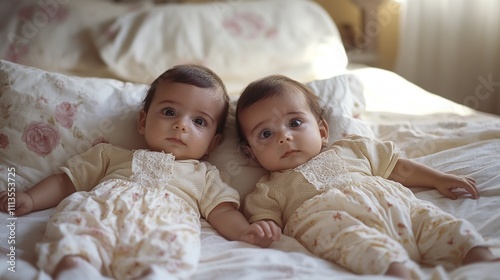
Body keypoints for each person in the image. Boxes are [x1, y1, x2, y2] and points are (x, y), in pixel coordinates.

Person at [0, 65, 280, 280]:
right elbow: (66, 181)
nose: (182, 125)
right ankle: (75, 267)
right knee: (75, 233)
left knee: (172, 253)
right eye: (169, 112)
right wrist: (30, 199)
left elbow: (222, 212)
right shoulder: (110, 154)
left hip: (165, 226)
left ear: (213, 143)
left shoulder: (205, 176)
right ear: (143, 122)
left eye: (199, 121)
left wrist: (245, 232)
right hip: (102, 211)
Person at [235, 74, 499, 279]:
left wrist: (437, 179)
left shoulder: (352, 148)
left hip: (399, 209)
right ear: (252, 154)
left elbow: (397, 167)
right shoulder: (269, 189)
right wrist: (263, 227)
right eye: (266, 134)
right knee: (365, 250)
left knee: (447, 228)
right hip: (340, 227)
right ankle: (400, 273)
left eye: (294, 123)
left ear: (323, 131)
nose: (284, 136)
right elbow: (264, 219)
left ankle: (484, 265)